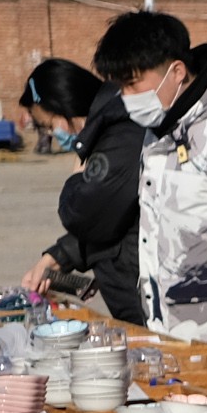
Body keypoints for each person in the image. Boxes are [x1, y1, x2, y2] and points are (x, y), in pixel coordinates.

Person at [91, 8, 207, 350]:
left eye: (132, 85)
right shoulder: (163, 129)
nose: (126, 97)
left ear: (176, 71)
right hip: (175, 338)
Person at [20, 60, 145, 315]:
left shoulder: (118, 135)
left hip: (145, 299)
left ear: (63, 106)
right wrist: (58, 258)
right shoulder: (110, 130)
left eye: (48, 124)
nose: (52, 134)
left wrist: (77, 174)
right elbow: (109, 218)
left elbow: (80, 214)